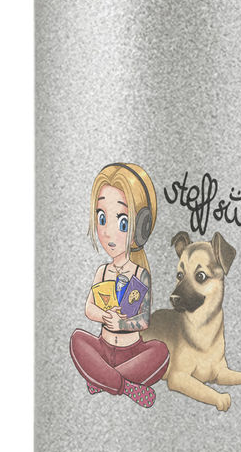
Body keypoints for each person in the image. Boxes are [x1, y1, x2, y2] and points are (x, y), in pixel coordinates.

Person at [69, 163, 170, 408]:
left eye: (122, 222)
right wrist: (105, 316)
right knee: (77, 339)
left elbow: (143, 321)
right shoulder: (102, 272)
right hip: (102, 348)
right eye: (102, 218)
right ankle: (125, 386)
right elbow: (89, 308)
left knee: (161, 352)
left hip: (132, 351)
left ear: (141, 228)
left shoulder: (140, 274)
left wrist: (121, 324)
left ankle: (102, 378)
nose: (108, 233)